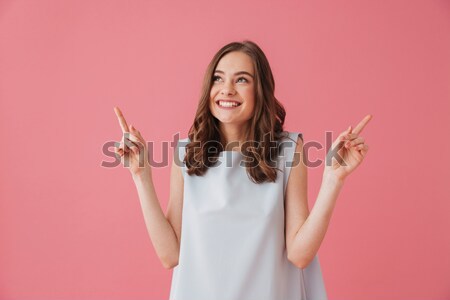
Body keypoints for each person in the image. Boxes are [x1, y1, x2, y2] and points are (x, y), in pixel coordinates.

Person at [113, 40, 372, 300]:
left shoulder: (288, 150)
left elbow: (299, 255)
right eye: (218, 79)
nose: (226, 90)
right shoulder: (186, 153)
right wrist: (141, 175)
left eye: (242, 80)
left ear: (261, 90)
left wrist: (332, 180)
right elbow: (170, 255)